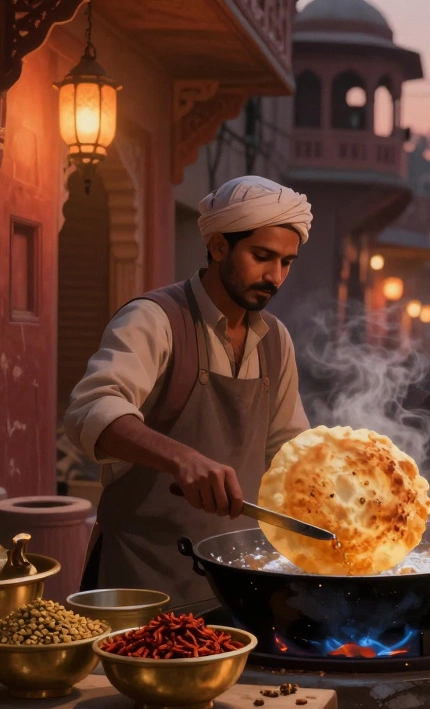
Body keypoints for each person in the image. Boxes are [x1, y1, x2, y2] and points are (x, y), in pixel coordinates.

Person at [64, 176, 313, 606]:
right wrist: (183, 459)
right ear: (218, 246)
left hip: (237, 586)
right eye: (262, 257)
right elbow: (91, 410)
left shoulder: (276, 340)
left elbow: (288, 450)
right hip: (140, 583)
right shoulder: (155, 319)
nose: (275, 277)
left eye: (287, 262)